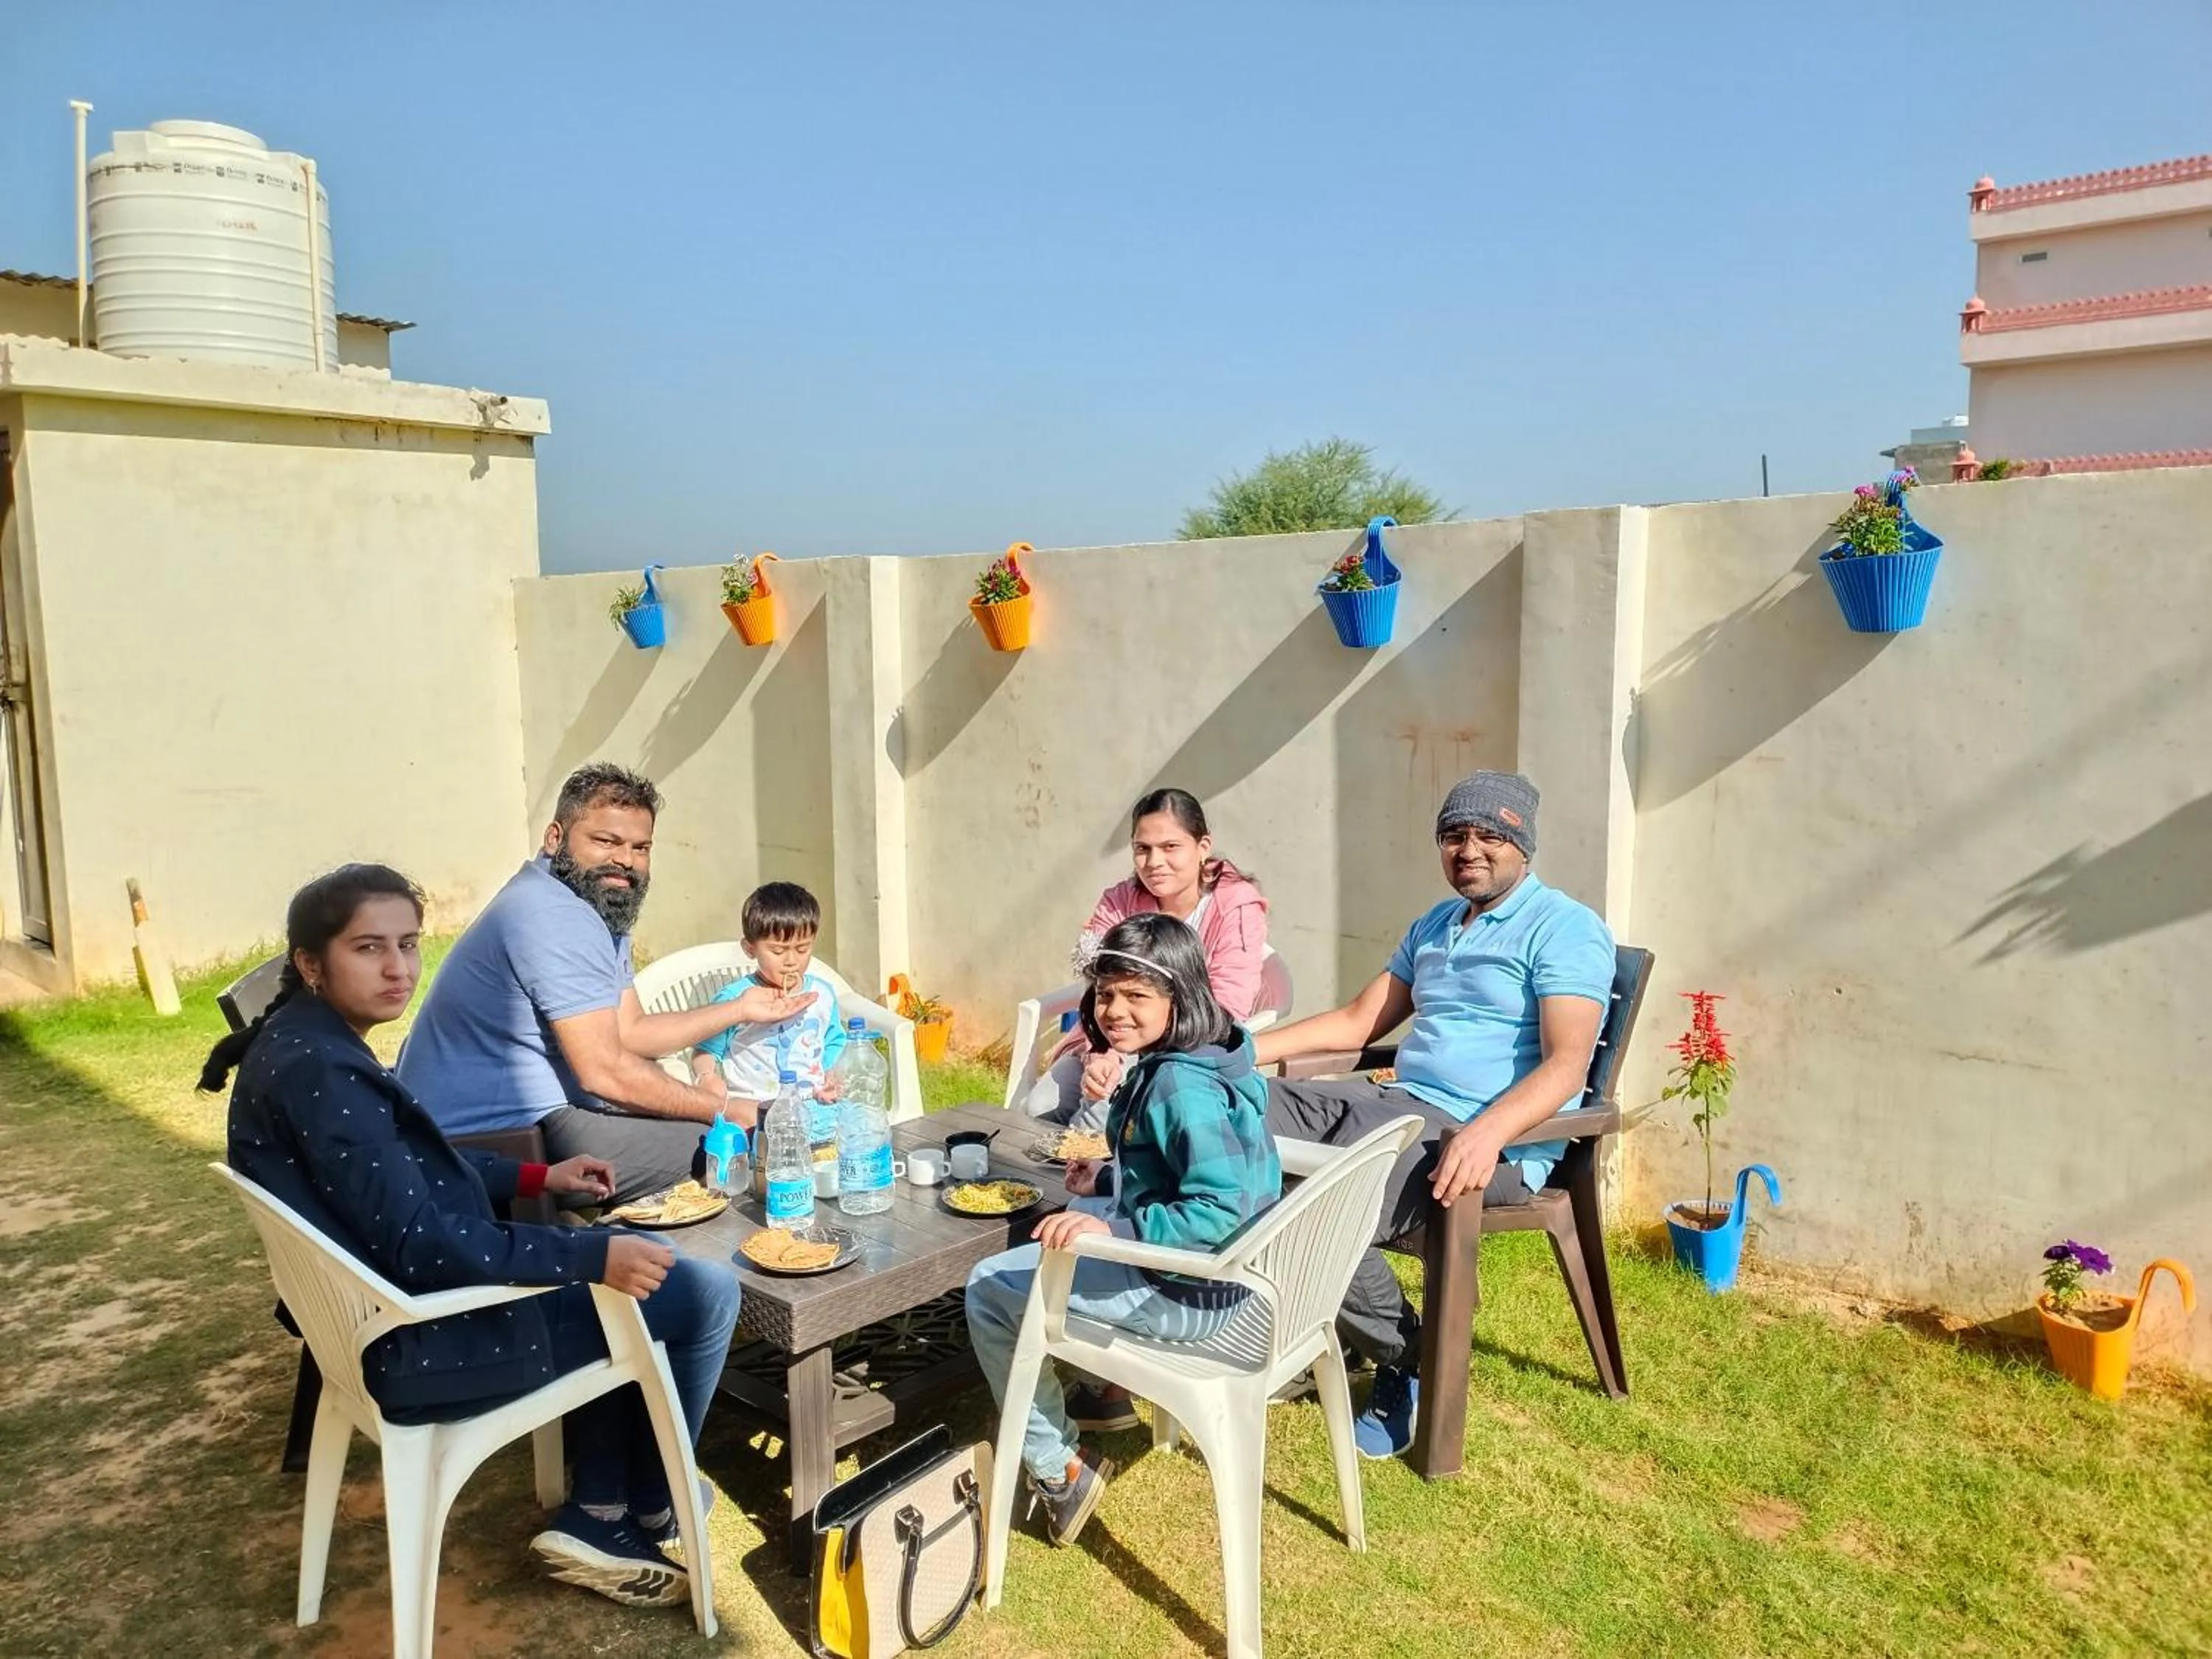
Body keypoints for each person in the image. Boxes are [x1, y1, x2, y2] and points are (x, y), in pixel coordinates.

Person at [212, 863, 742, 1608]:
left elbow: (399, 1167)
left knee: (638, 1278)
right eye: (369, 949)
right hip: (421, 1339)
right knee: (701, 1292)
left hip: (375, 1319)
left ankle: (625, 1501)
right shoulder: (325, 1072)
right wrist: (592, 1255)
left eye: (409, 944)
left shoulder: (306, 1044)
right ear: (311, 963)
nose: (399, 969)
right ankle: (622, 1509)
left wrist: (535, 1181)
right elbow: (425, 1245)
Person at [1253, 771, 1615, 1461]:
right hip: (1394, 1103)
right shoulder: (1436, 924)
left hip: (1485, 1139)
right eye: (1454, 835)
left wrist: (1488, 1133)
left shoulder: (1566, 928)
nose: (1469, 849)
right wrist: (1235, 1051)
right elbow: (1362, 1021)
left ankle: (1409, 1354)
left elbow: (1568, 1065)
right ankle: (1311, 1320)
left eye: (1491, 835)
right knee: (1237, 1116)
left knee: (1319, 1203)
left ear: (1523, 846)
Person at [966, 912, 1282, 1547]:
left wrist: (1115, 1228)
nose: (1115, 1010)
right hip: (1229, 1279)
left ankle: (1059, 1473)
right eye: (1107, 992)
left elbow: (1219, 1214)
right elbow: (1190, 1174)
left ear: (1181, 996)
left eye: (1137, 995)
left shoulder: (1178, 1087)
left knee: (989, 1288)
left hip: (1191, 1293)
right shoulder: (1206, 1055)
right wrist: (1109, 1181)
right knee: (1051, 1239)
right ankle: (1096, 1393)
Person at [398, 763, 813, 1206]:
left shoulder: (596, 903)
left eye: (641, 847)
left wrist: (741, 1009)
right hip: (487, 1144)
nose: (626, 860)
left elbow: (630, 1031)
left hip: (531, 1118)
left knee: (718, 1133)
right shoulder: (552, 916)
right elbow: (605, 1072)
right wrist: (724, 1109)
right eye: (605, 841)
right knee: (727, 1149)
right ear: (555, 837)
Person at [1023, 787, 1270, 1129]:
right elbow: (1098, 981)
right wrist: (1103, 1053)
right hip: (1110, 1036)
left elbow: (1228, 1004)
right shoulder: (1120, 901)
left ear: (1203, 848)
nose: (1154, 863)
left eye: (1170, 847)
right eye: (1143, 849)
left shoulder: (1236, 906)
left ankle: (1101, 1177)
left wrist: (1130, 1054)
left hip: (1186, 1049)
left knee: (1104, 1119)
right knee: (1040, 1108)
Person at [687, 882, 844, 1130]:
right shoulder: (735, 1000)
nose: (791, 961)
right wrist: (706, 1077)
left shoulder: (822, 995)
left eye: (802, 949)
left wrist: (829, 1074)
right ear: (750, 948)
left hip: (812, 1108)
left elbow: (834, 1041)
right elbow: (705, 1049)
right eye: (777, 951)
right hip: (751, 1114)